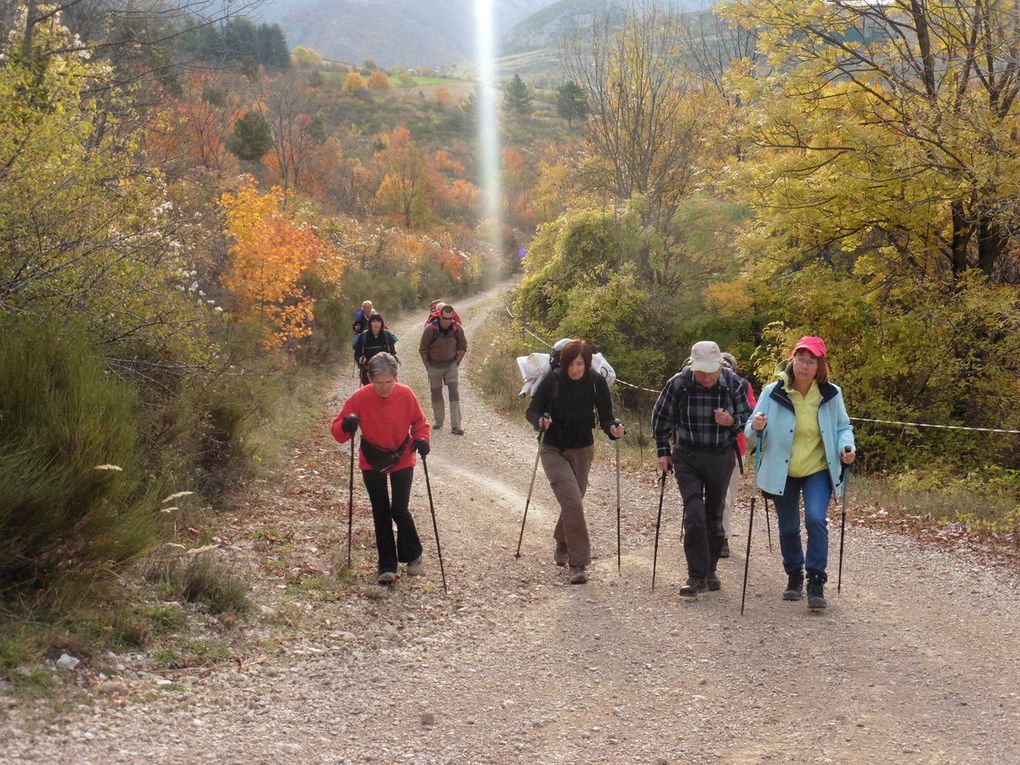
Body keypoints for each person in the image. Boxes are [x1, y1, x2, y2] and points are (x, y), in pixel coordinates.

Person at [746, 336, 855, 609]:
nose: (804, 366)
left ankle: (816, 579)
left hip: (818, 468)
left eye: (811, 361)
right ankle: (794, 574)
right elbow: (750, 430)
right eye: (800, 360)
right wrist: (757, 426)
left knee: (816, 519)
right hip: (782, 469)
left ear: (820, 365)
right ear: (792, 361)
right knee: (789, 526)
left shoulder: (831, 394)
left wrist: (846, 447)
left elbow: (843, 428)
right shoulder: (774, 392)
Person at [651, 340, 752, 596]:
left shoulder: (734, 384)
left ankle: (710, 570)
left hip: (721, 457)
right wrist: (663, 452)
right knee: (694, 513)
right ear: (693, 367)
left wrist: (732, 421)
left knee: (714, 518)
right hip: (688, 456)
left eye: (710, 370)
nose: (706, 377)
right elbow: (661, 419)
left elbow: (748, 421)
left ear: (720, 365)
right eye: (701, 371)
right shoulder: (679, 384)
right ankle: (696, 575)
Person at [526, 340, 625, 584]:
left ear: (587, 363)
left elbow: (606, 417)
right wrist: (540, 420)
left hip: (582, 448)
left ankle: (562, 540)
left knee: (574, 501)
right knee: (572, 502)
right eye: (570, 363)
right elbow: (532, 411)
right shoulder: (554, 379)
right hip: (552, 448)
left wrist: (614, 429)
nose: (574, 369)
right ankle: (578, 564)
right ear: (563, 363)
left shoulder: (596, 382)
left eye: (579, 363)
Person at [331, 353, 431, 585]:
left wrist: (422, 439)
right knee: (380, 510)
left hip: (402, 456)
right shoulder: (359, 398)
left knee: (399, 509)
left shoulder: (406, 394)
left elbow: (419, 422)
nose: (384, 388)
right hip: (372, 458)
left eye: (388, 382)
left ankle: (412, 553)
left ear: (396, 377)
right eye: (378, 383)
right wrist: (347, 425)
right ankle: (387, 565)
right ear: (369, 380)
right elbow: (338, 431)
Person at [720, 351, 758, 559]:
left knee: (728, 496)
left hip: (736, 448)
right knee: (722, 496)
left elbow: (751, 413)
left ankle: (721, 534)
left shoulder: (742, 385)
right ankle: (717, 536)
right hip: (721, 449)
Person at [419, 304, 468, 435]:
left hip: (451, 365)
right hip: (434, 366)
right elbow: (423, 349)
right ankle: (439, 421)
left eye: (449, 319)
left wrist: (457, 363)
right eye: (444, 318)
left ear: (452, 317)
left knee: (454, 393)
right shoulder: (430, 329)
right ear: (439, 316)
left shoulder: (457, 329)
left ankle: (456, 426)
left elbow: (463, 346)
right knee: (436, 394)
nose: (447, 321)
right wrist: (428, 367)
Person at [353, 313, 398, 386]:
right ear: (370, 323)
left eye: (378, 321)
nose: (376, 324)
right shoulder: (363, 337)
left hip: (385, 371)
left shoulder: (387, 335)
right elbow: (357, 354)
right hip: (368, 372)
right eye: (373, 321)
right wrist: (360, 359)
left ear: (382, 323)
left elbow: (393, 353)